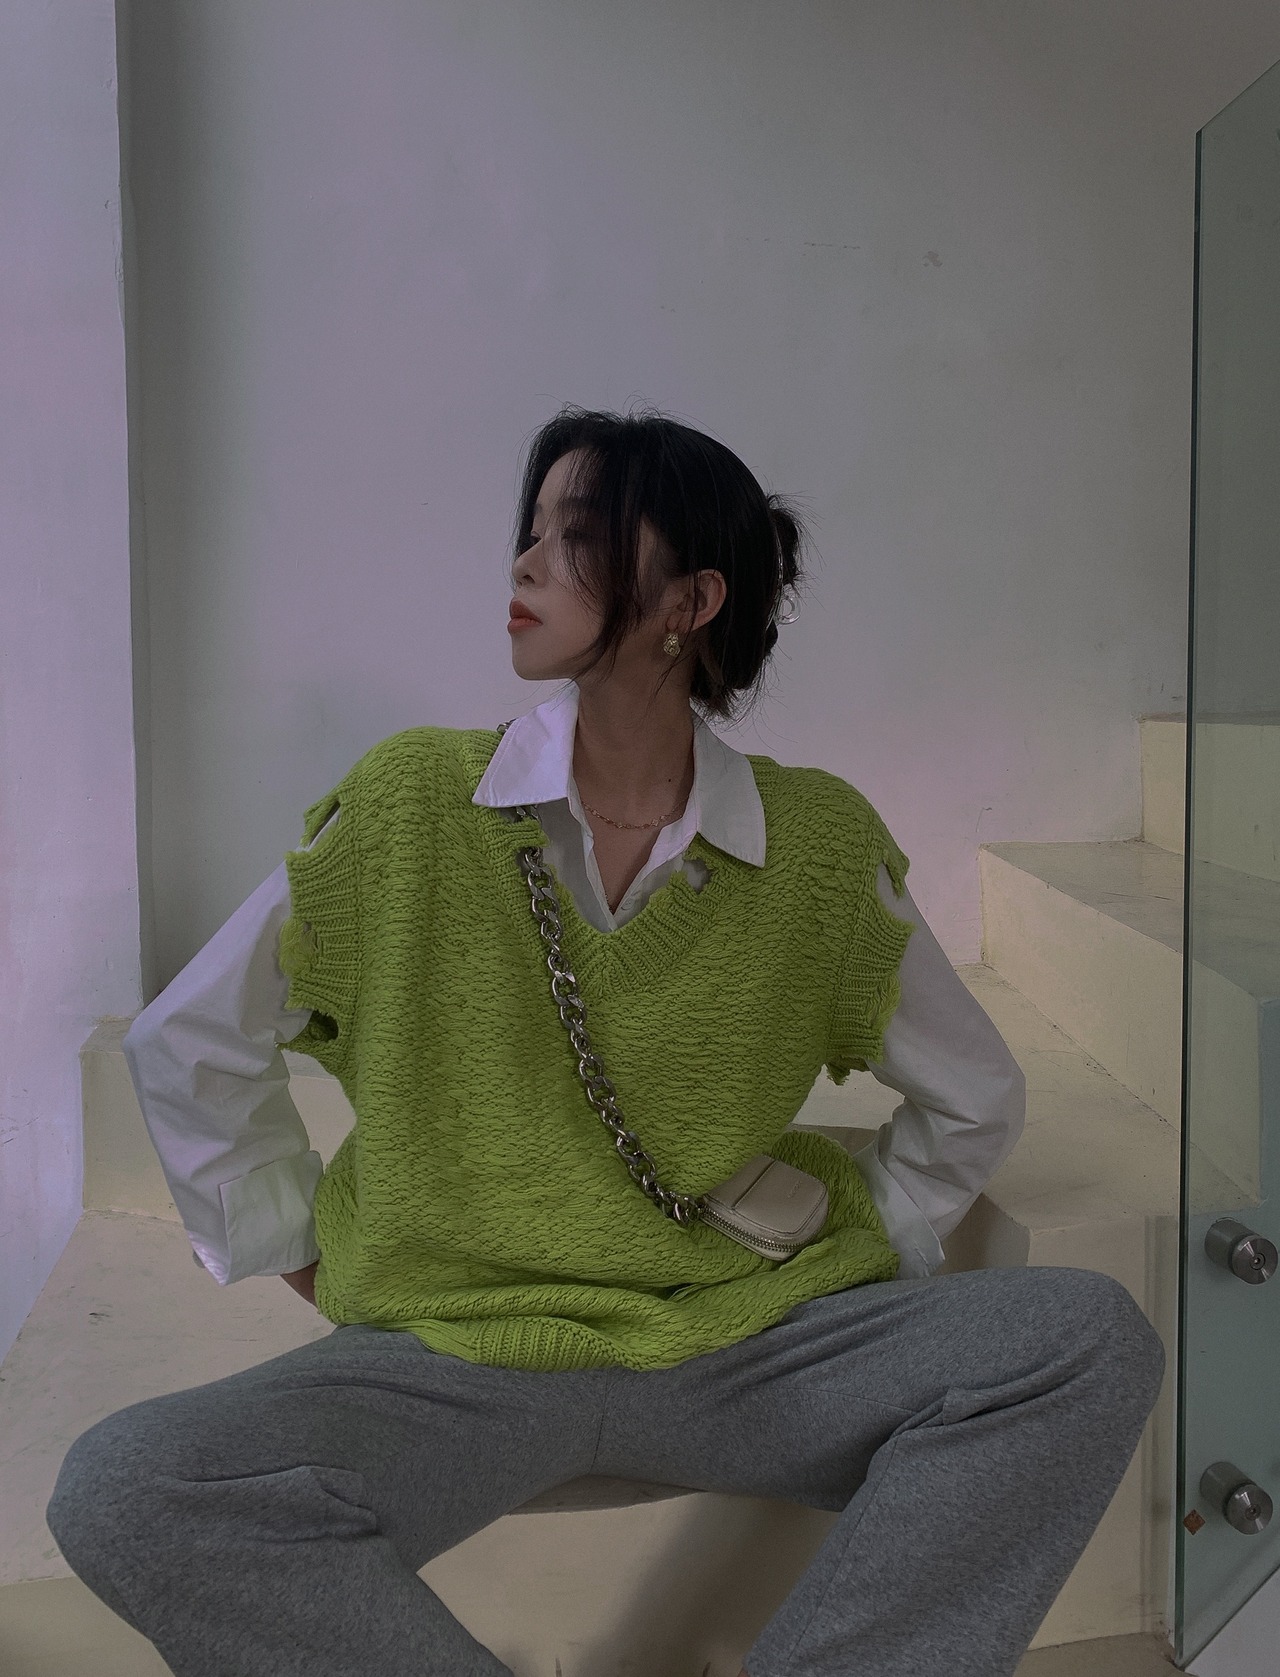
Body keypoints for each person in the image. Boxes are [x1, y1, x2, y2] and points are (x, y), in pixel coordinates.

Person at [46, 405, 1164, 1677]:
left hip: (743, 1345)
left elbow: (971, 1094)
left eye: (573, 534)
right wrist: (292, 1245)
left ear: (690, 600)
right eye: (527, 531)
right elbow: (193, 1037)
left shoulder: (814, 844)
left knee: (1082, 1339)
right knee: (129, 1486)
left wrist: (873, 1242)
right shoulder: (414, 802)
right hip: (456, 1357)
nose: (524, 563)